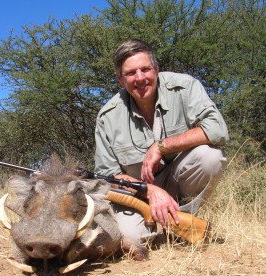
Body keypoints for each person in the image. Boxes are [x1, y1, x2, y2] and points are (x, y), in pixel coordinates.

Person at [94, 39, 229, 245]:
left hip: (177, 181)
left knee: (210, 157)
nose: (140, 78)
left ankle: (183, 221)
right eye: (130, 73)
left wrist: (161, 146)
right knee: (131, 239)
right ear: (120, 79)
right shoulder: (107, 116)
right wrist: (149, 190)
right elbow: (108, 176)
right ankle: (163, 226)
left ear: (156, 69)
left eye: (145, 69)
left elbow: (218, 130)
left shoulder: (184, 87)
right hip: (137, 195)